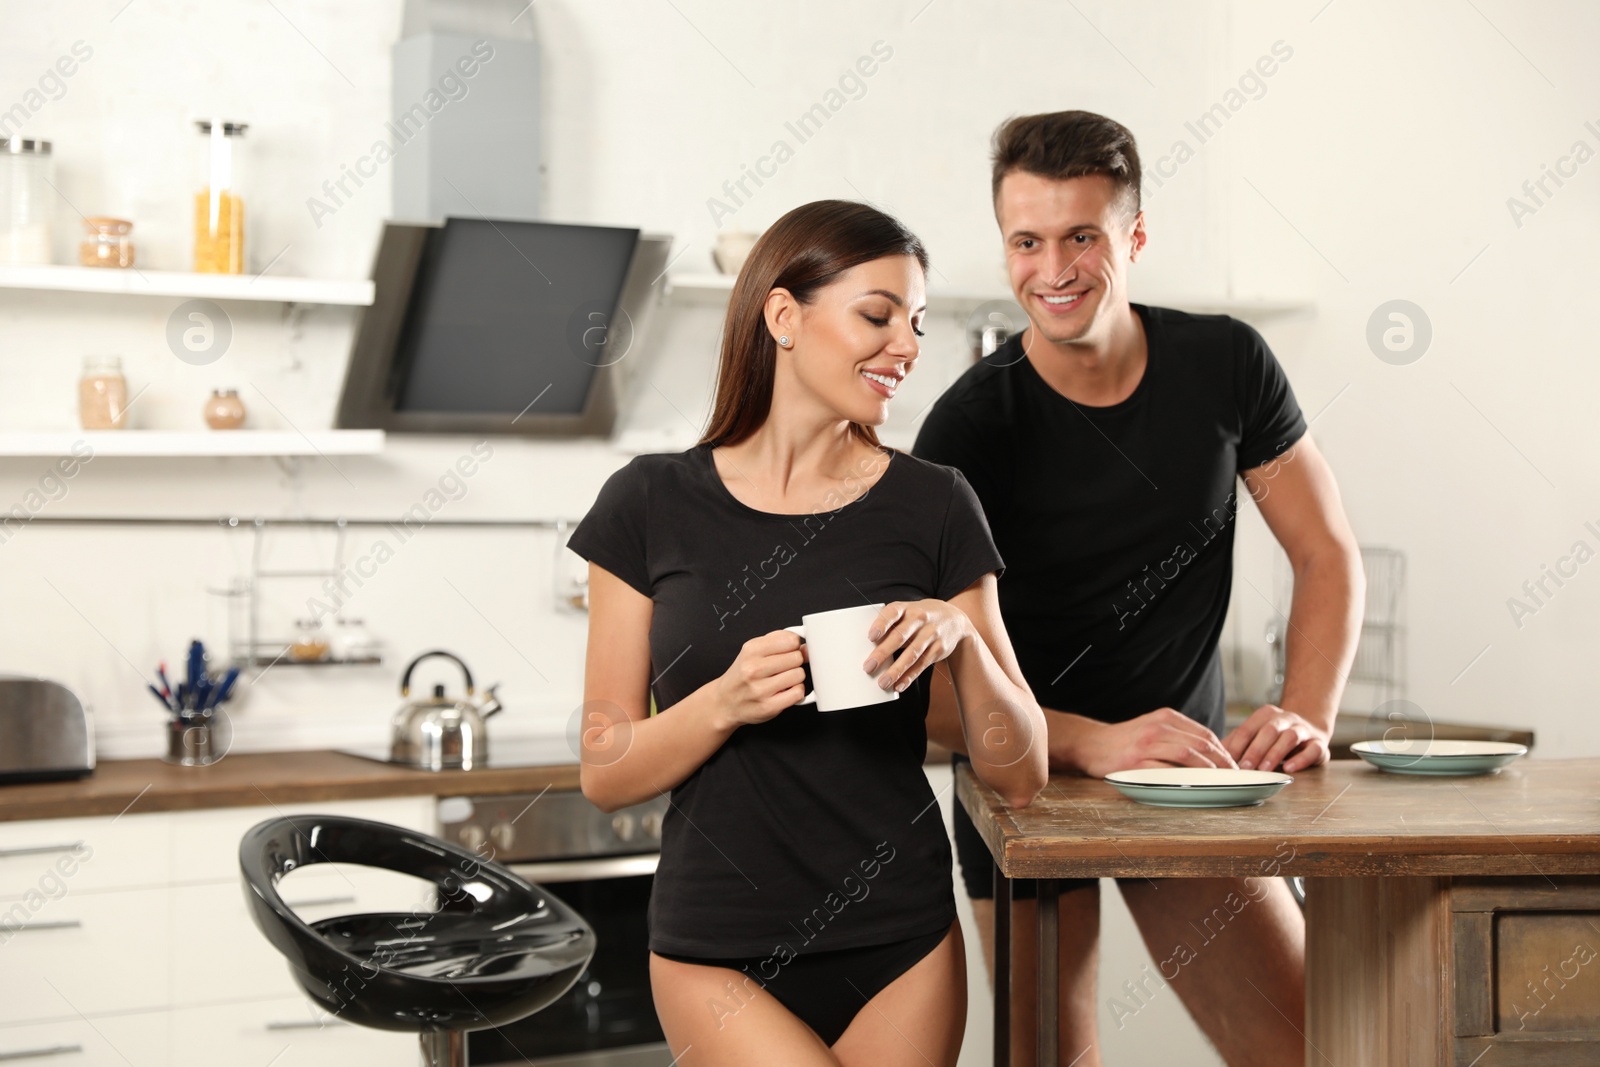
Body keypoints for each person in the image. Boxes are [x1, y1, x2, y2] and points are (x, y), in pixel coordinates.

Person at [913, 111, 1365, 1066]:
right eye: (1026, 241)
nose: (1055, 268)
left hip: (1183, 780)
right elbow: (928, 700)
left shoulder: (1226, 364)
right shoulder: (969, 428)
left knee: (1307, 1052)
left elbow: (1325, 552)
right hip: (1027, 787)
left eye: (1083, 235)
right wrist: (1097, 742)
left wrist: (1306, 711)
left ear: (1135, 236)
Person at [567, 199, 1049, 1067]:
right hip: (715, 945)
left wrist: (963, 641)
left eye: (917, 323)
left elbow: (1022, 769)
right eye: (877, 315)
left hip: (901, 939)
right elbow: (604, 769)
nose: (906, 345)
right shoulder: (646, 503)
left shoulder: (935, 503)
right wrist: (723, 702)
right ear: (783, 315)